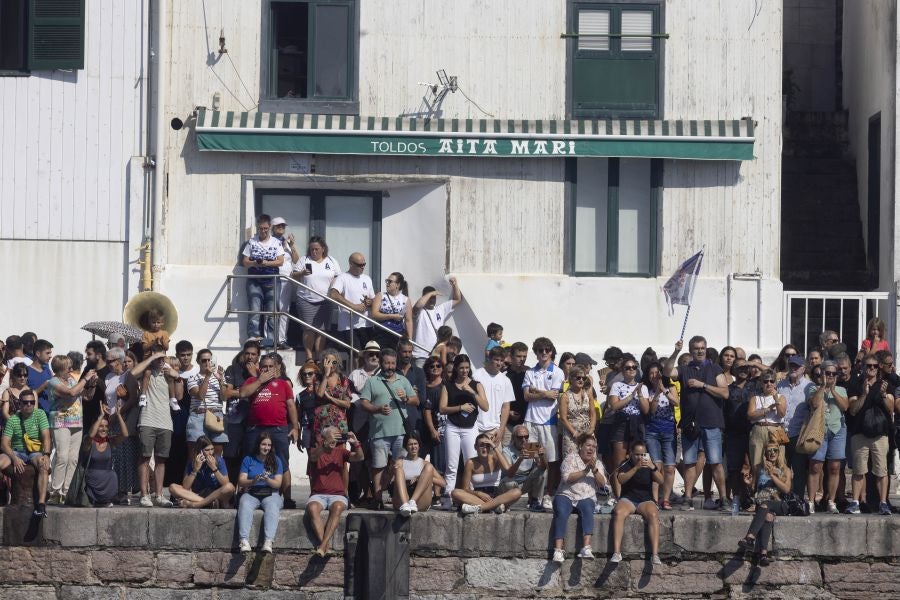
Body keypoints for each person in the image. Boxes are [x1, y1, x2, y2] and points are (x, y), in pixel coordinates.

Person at [663, 336, 729, 511]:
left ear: (706, 349)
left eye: (702, 348)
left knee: (715, 462)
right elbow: (667, 372)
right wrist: (676, 351)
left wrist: (703, 385)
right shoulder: (684, 369)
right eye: (696, 348)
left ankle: (723, 498)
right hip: (690, 424)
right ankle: (688, 497)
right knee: (690, 462)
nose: (700, 351)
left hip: (712, 422)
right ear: (691, 351)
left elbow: (725, 393)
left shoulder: (715, 368)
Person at [359, 348, 418, 505]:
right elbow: (363, 403)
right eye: (387, 363)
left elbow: (416, 400)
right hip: (379, 432)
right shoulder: (372, 381)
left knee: (398, 465)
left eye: (392, 363)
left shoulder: (403, 380)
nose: (390, 366)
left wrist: (406, 398)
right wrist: (377, 409)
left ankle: (397, 496)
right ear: (381, 363)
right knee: (378, 466)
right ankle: (377, 499)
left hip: (401, 432)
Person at [239, 353, 300, 506]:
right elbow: (242, 393)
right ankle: (245, 494)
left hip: (279, 428)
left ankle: (287, 498)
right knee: (249, 460)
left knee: (283, 462)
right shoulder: (252, 380)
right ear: (260, 368)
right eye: (264, 366)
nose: (267, 369)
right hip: (255, 428)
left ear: (277, 368)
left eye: (270, 366)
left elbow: (291, 405)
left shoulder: (283, 384)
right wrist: (260, 380)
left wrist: (295, 427)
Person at [845, 356, 894, 515]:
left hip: (880, 434)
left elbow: (891, 409)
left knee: (881, 471)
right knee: (859, 471)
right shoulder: (855, 384)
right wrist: (864, 394)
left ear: (878, 368)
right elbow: (852, 410)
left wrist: (884, 394)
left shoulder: (885, 385)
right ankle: (855, 502)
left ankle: (883, 503)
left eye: (874, 366)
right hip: (859, 433)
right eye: (868, 365)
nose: (871, 368)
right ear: (863, 367)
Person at [307, 426, 365, 556]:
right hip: (318, 494)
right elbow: (313, 458)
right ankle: (325, 545)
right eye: (333, 435)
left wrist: (356, 443)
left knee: (338, 507)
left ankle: (322, 546)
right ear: (325, 437)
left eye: (338, 436)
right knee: (312, 508)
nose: (336, 438)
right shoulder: (316, 450)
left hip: (337, 494)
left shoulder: (341, 452)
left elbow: (360, 457)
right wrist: (324, 446)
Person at [439, 354, 489, 502]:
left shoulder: (477, 384)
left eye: (467, 368)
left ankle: (471, 498)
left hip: (470, 428)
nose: (464, 371)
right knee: (451, 465)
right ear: (456, 368)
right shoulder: (448, 385)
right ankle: (448, 497)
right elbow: (442, 409)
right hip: (452, 427)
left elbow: (485, 406)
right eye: (461, 368)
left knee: (470, 463)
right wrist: (461, 407)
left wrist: (472, 392)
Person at [46, 355, 96, 504]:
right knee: (62, 457)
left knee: (73, 458)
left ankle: (67, 491)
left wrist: (91, 384)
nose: (71, 369)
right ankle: (55, 491)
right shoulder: (53, 382)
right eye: (68, 367)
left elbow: (87, 397)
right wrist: (85, 379)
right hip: (61, 422)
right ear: (60, 368)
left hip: (76, 422)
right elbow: (71, 393)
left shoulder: (72, 380)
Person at [523, 337, 565, 510]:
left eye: (547, 350)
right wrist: (544, 393)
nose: (544, 353)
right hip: (531, 421)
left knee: (552, 460)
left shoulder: (557, 372)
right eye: (540, 350)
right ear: (536, 353)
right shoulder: (529, 373)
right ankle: (534, 497)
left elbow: (553, 396)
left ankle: (549, 493)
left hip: (549, 422)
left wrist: (536, 391)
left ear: (551, 351)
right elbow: (526, 396)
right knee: (533, 459)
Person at [551, 433, 607, 563]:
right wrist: (585, 471)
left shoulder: (597, 463)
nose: (591, 449)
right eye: (588, 445)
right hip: (566, 494)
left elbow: (603, 483)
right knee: (561, 511)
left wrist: (594, 470)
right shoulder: (570, 459)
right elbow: (567, 478)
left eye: (594, 447)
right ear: (581, 446)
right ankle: (558, 550)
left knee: (588, 508)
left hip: (586, 496)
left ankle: (586, 548)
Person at [131, 349, 177, 508]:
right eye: (157, 357)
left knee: (161, 459)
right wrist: (151, 358)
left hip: (165, 422)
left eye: (162, 357)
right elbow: (132, 374)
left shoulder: (169, 372)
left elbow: (180, 395)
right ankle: (144, 495)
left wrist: (173, 375)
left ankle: (159, 495)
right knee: (144, 457)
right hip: (147, 419)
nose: (160, 360)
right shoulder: (147, 371)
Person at [738, 444, 794, 566]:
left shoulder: (785, 469)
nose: (772, 453)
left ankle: (750, 538)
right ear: (765, 454)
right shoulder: (759, 468)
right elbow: (755, 490)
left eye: (775, 450)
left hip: (779, 503)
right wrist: (748, 484)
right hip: (762, 504)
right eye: (769, 451)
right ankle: (763, 554)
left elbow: (786, 489)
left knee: (765, 505)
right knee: (767, 516)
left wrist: (772, 475)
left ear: (779, 453)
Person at [610, 441, 664, 565]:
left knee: (653, 515)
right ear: (631, 454)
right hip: (628, 499)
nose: (640, 457)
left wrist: (653, 467)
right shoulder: (625, 464)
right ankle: (617, 552)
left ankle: (655, 555)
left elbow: (661, 481)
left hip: (645, 500)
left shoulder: (650, 465)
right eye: (637, 454)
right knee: (618, 513)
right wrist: (636, 468)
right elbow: (621, 479)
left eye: (642, 454)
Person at [1, 388, 52, 517]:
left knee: (43, 465)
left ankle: (41, 505)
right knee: (1, 461)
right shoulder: (13, 419)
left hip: (35, 451)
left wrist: (46, 454)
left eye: (32, 402)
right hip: (17, 451)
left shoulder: (40, 414)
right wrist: (14, 458)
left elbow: (46, 436)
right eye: (25, 402)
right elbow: (4, 444)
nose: (29, 405)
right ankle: (3, 491)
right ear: (20, 404)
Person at [806, 361, 848, 514]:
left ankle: (831, 500)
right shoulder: (813, 388)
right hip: (819, 430)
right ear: (822, 373)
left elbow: (845, 407)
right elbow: (815, 404)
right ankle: (811, 501)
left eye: (833, 374)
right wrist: (823, 387)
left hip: (838, 429)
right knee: (815, 465)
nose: (830, 376)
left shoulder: (841, 389)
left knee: (835, 467)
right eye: (827, 373)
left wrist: (833, 390)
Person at [293, 236, 341, 361]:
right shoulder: (304, 260)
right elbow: (293, 276)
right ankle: (309, 356)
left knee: (322, 330)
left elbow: (338, 278)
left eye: (317, 249)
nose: (314, 252)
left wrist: (334, 291)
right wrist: (302, 273)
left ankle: (319, 356)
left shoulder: (331, 261)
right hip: (306, 299)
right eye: (312, 249)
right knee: (309, 328)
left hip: (325, 301)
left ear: (323, 249)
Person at [451, 432, 522, 514]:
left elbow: (508, 470)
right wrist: (478, 493)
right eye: (481, 445)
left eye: (488, 445)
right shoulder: (470, 463)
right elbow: (465, 488)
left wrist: (494, 446)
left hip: (497, 496)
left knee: (517, 492)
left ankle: (481, 508)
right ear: (475, 447)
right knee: (455, 492)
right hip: (478, 497)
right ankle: (494, 507)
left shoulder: (495, 458)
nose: (485, 449)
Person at [639, 362, 679, 508]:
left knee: (669, 467)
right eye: (651, 373)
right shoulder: (646, 389)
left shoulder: (671, 387)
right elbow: (652, 411)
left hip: (669, 431)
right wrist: (657, 393)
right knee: (656, 465)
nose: (654, 376)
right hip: (652, 432)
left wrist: (664, 390)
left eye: (657, 373)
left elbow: (676, 403)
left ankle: (666, 498)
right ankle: (655, 499)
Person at [237, 432, 285, 553]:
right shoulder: (248, 459)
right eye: (264, 444)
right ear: (258, 445)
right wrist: (253, 481)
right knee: (244, 504)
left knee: (273, 506)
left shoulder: (276, 460)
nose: (266, 448)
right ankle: (244, 540)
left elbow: (278, 484)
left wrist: (267, 480)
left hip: (271, 492)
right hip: (252, 491)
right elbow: (241, 481)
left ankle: (268, 541)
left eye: (269, 445)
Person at [242, 214, 286, 342]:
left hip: (272, 280)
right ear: (257, 228)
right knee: (255, 310)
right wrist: (256, 262)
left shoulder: (276, 242)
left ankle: (271, 340)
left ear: (270, 227)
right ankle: (254, 337)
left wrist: (265, 262)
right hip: (254, 280)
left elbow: (280, 261)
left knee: (272, 311)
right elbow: (245, 261)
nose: (263, 231)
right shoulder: (252, 242)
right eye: (261, 228)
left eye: (266, 228)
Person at [223, 341, 261, 483]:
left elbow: (265, 392)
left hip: (254, 422)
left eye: (253, 354)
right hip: (234, 420)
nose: (250, 357)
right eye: (247, 353)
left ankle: (246, 492)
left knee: (250, 457)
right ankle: (230, 493)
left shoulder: (261, 373)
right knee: (231, 457)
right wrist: (246, 392)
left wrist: (254, 377)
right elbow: (226, 393)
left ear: (258, 356)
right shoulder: (232, 369)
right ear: (243, 354)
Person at [776, 356, 814, 499]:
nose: (793, 368)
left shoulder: (809, 386)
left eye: (796, 366)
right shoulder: (780, 385)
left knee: (798, 470)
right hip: (781, 433)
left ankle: (797, 499)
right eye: (791, 365)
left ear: (803, 369)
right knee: (781, 468)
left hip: (798, 433)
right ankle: (783, 498)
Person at [81, 401, 129, 506]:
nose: (104, 429)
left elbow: (125, 434)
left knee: (113, 475)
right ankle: (94, 499)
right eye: (101, 426)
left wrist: (119, 415)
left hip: (107, 479)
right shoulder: (88, 442)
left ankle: (105, 500)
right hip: (91, 479)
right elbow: (91, 435)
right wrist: (101, 416)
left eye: (106, 426)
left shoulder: (110, 441)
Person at [168, 436, 235, 508]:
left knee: (230, 487)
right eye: (207, 450)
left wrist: (214, 468)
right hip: (197, 494)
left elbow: (226, 483)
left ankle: (195, 504)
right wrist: (195, 470)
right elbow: (186, 487)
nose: (210, 453)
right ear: (200, 451)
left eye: (212, 449)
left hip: (215, 494)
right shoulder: (192, 462)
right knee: (172, 487)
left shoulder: (219, 460)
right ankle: (208, 503)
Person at [328, 252, 376, 350]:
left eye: (364, 264)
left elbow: (373, 299)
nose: (362, 267)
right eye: (359, 265)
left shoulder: (367, 278)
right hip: (349, 325)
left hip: (366, 323)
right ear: (351, 264)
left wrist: (370, 302)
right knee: (355, 356)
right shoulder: (343, 277)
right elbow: (333, 294)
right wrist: (353, 306)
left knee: (367, 353)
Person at [391, 432, 445, 516]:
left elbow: (443, 483)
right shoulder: (400, 461)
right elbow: (388, 481)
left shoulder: (424, 463)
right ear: (406, 446)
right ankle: (405, 505)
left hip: (420, 499)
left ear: (419, 445)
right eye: (410, 444)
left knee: (429, 467)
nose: (413, 447)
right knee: (398, 468)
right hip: (403, 497)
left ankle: (413, 501)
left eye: (415, 444)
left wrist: (420, 478)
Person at [186, 349, 229, 456]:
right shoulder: (193, 378)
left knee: (217, 452)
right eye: (204, 360)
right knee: (196, 454)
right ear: (198, 362)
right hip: (198, 416)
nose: (207, 363)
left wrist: (221, 381)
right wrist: (208, 376)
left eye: (209, 360)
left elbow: (224, 398)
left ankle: (215, 472)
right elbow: (200, 396)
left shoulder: (219, 377)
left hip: (216, 415)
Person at [412, 277, 462, 367]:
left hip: (436, 354)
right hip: (420, 354)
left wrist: (455, 285)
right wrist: (431, 293)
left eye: (434, 297)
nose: (432, 299)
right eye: (429, 297)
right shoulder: (420, 311)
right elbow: (417, 306)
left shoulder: (440, 309)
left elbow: (457, 299)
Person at [500, 424, 547, 511]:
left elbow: (542, 468)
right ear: (514, 438)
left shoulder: (532, 447)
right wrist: (520, 459)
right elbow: (510, 474)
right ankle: (506, 503)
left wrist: (542, 456)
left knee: (542, 473)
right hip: (512, 482)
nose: (524, 440)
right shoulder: (507, 450)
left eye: (526, 436)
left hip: (525, 482)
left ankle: (534, 501)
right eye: (520, 437)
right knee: (508, 482)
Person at [473, 346, 513, 446]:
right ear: (489, 359)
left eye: (501, 360)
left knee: (493, 460)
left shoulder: (506, 380)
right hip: (474, 426)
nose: (499, 363)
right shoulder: (476, 375)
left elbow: (505, 407)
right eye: (496, 359)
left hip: (494, 428)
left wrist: (501, 429)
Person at [747, 369, 787, 469]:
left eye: (771, 381)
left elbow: (782, 414)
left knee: (778, 463)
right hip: (758, 430)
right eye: (765, 381)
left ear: (775, 383)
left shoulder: (781, 397)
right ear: (761, 383)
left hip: (775, 430)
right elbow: (750, 415)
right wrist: (767, 410)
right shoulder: (755, 398)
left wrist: (776, 399)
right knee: (757, 463)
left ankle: (777, 484)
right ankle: (758, 484)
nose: (769, 383)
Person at [271, 217, 299, 349]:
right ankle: (270, 340)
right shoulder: (270, 241)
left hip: (286, 280)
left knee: (284, 311)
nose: (281, 228)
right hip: (273, 278)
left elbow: (296, 260)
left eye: (283, 226)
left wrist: (292, 245)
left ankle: (281, 339)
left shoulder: (286, 242)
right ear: (273, 227)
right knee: (271, 310)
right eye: (278, 226)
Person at [559, 366, 596, 456]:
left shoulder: (588, 394)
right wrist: (574, 433)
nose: (581, 380)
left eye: (583, 378)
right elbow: (563, 418)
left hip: (587, 432)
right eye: (578, 378)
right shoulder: (565, 396)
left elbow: (593, 413)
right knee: (572, 461)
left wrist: (591, 429)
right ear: (571, 379)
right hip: (571, 434)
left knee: (589, 459)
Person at [315, 349, 352, 439]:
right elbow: (319, 394)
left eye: (334, 362)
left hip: (340, 423)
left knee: (340, 450)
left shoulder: (343, 379)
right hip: (323, 423)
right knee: (323, 451)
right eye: (328, 362)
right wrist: (326, 375)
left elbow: (347, 404)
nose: (331, 365)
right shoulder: (318, 377)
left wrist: (330, 398)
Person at [371, 272, 413, 349]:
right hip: (381, 333)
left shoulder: (405, 300)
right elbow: (374, 314)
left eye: (390, 281)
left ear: (398, 285)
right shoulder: (380, 295)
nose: (387, 283)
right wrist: (392, 316)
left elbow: (408, 321)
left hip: (397, 335)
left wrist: (410, 339)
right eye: (387, 281)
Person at [25, 339, 53, 413]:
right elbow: (24, 396)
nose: (50, 356)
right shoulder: (26, 372)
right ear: (38, 353)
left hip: (50, 414)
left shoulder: (48, 370)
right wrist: (43, 386)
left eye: (50, 353)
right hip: (34, 416)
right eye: (47, 353)